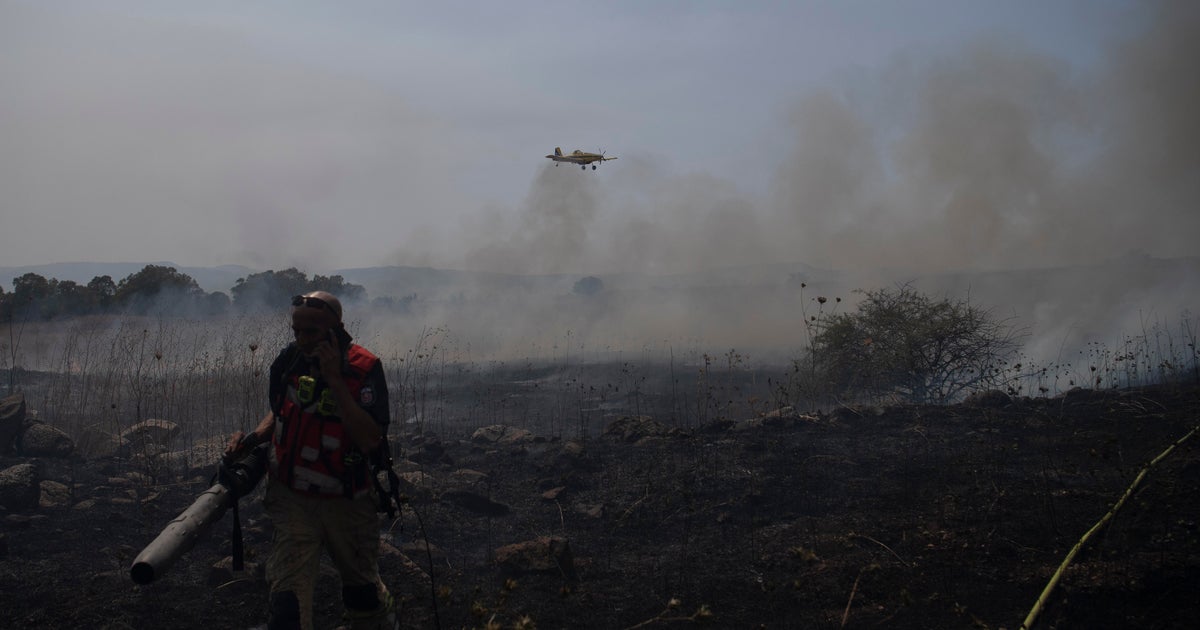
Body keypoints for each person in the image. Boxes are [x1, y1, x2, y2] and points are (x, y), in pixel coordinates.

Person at [225, 291, 394, 630]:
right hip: (293, 499)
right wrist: (254, 439)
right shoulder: (290, 360)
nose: (301, 339)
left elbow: (370, 438)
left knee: (364, 598)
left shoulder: (364, 369)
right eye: (296, 331)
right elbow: (280, 411)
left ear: (336, 329)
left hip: (347, 502)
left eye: (311, 332)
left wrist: (334, 379)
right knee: (286, 606)